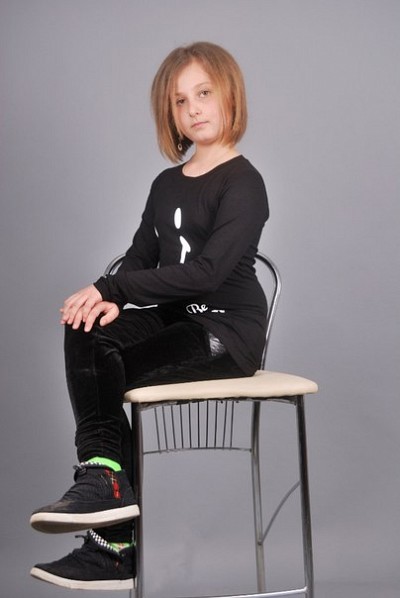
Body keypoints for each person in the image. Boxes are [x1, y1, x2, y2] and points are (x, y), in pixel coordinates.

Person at [29, 41, 269, 591]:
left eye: (204, 93)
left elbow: (207, 273)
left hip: (225, 331)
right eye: (180, 101)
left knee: (103, 370)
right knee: (87, 328)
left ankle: (112, 540)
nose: (194, 109)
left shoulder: (243, 182)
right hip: (175, 320)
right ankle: (104, 480)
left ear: (230, 95)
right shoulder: (165, 184)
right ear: (171, 113)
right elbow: (140, 256)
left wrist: (115, 285)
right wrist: (108, 301)